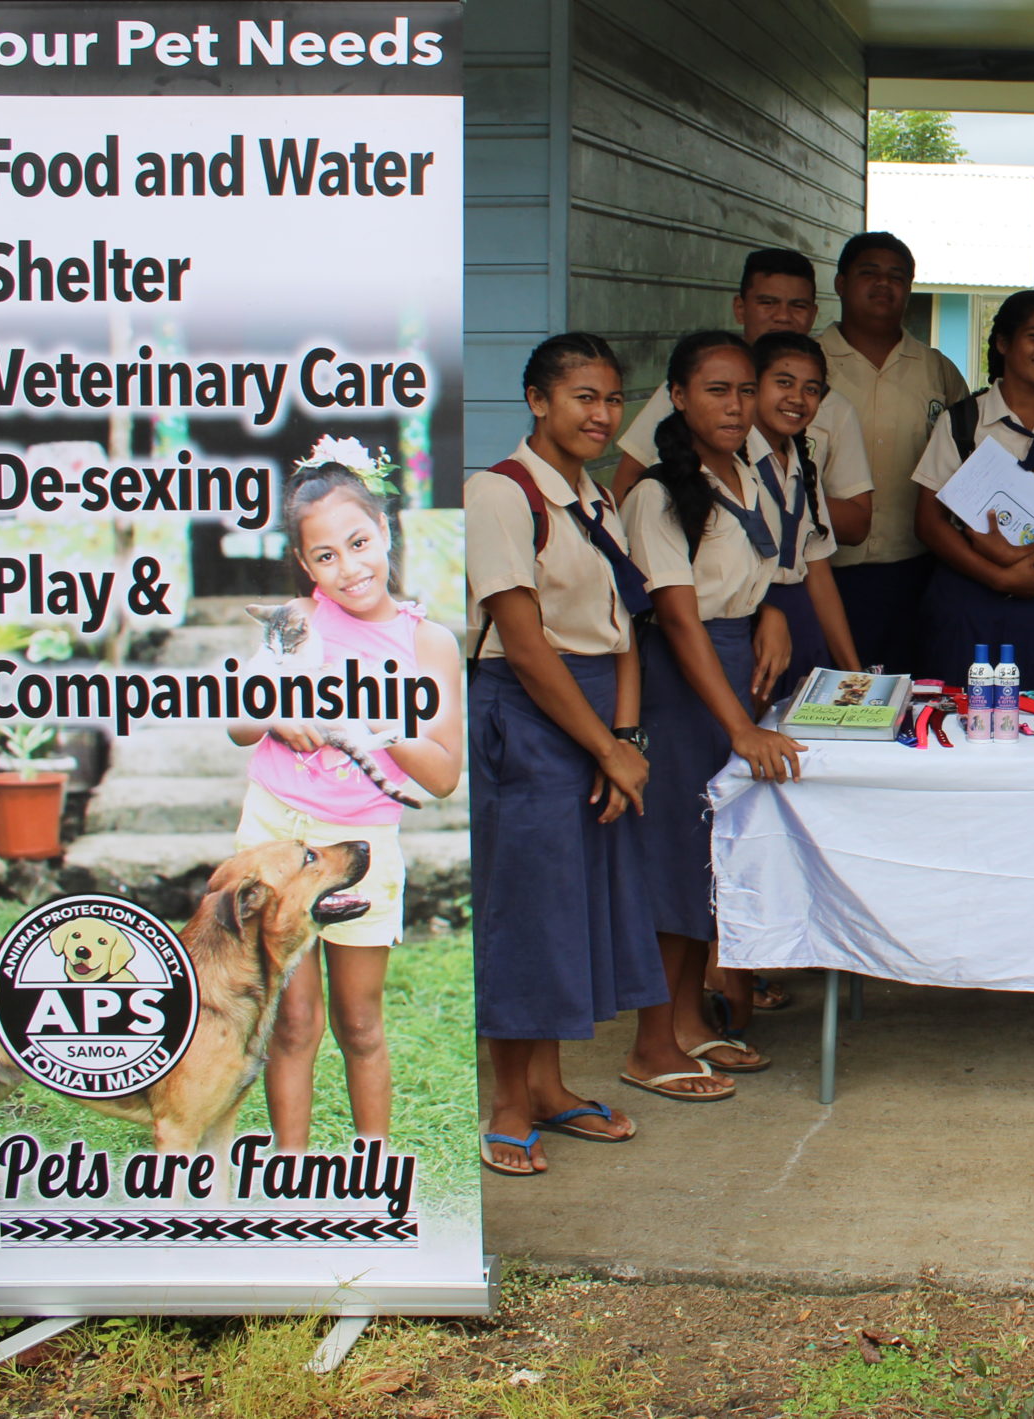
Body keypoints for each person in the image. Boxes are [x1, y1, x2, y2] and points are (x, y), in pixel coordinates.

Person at [466, 334, 721, 1178]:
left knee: (576, 909)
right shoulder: (500, 495)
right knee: (527, 911)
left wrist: (629, 740)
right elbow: (526, 643)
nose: (602, 414)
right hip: (528, 711)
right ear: (538, 401)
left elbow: (620, 633)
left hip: (598, 720)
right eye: (582, 397)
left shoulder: (594, 499)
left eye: (612, 399)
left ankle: (550, 1085)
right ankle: (508, 1101)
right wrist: (605, 744)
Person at [230, 442, 463, 1152]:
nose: (349, 566)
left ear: (385, 530)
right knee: (291, 1020)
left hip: (361, 848)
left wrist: (379, 722)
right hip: (275, 834)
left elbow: (444, 773)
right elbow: (241, 723)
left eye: (359, 543)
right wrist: (276, 709)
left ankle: (370, 1164)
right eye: (326, 555)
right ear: (306, 565)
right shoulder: (295, 621)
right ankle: (293, 1168)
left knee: (358, 1022)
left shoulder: (427, 644)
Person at [622, 330, 809, 1087]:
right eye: (715, 391)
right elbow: (675, 615)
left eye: (742, 392)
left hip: (737, 665)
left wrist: (772, 612)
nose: (734, 407)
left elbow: (758, 569)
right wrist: (737, 724)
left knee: (710, 856)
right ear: (677, 397)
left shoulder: (746, 473)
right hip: (685, 681)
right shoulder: (657, 492)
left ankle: (690, 1020)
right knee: (675, 854)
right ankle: (650, 1046)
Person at [912, 290, 1034, 691]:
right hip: (965, 590)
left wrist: (1021, 559)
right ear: (1003, 342)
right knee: (957, 710)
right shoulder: (964, 421)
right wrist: (997, 574)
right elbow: (928, 522)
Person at [611, 248, 875, 549]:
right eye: (767, 303)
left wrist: (789, 496)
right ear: (740, 307)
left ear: (814, 314)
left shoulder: (831, 406)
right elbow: (627, 483)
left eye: (797, 306)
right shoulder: (692, 387)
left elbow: (857, 525)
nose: (783, 317)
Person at [821, 232, 969, 675]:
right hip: (823, 569)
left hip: (916, 569)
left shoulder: (936, 370)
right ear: (841, 283)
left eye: (897, 276)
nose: (883, 285)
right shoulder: (806, 365)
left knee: (910, 689)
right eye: (870, 273)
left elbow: (969, 462)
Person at [748, 330, 865, 700]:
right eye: (783, 382)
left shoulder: (803, 466)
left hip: (800, 620)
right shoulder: (726, 461)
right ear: (751, 386)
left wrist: (854, 674)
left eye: (811, 389)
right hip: (748, 624)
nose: (797, 398)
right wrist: (762, 614)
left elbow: (817, 571)